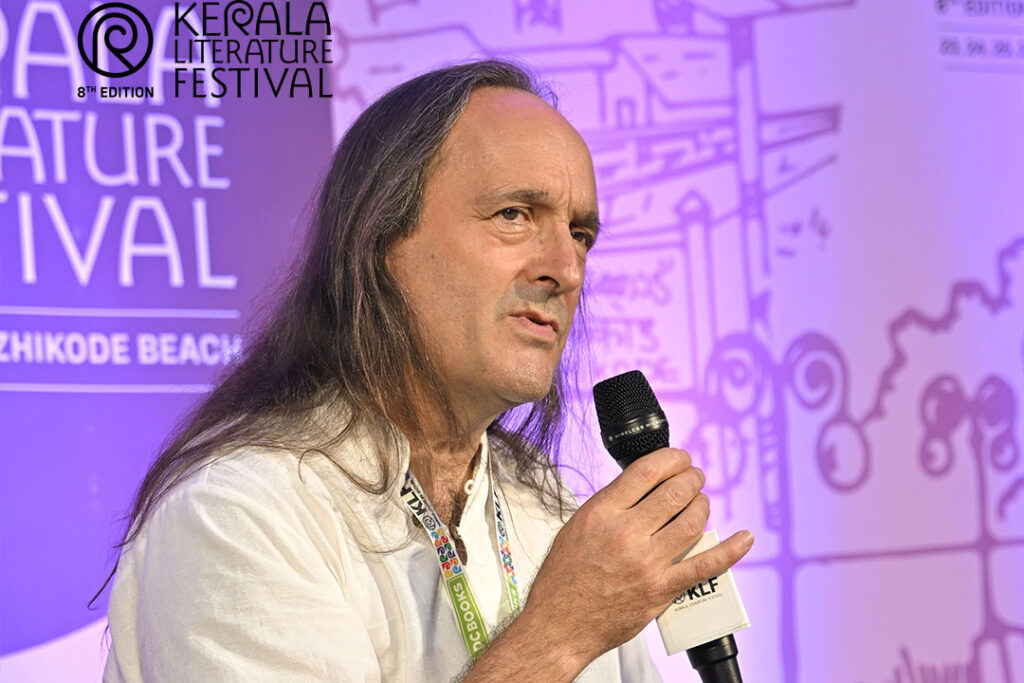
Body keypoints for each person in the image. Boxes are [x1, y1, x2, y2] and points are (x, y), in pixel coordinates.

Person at [102, 59, 754, 682]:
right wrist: (560, 632)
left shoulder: (549, 508)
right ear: (382, 239)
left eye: (580, 234)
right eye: (514, 215)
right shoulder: (239, 512)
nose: (566, 268)